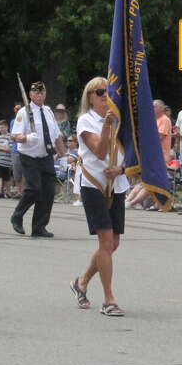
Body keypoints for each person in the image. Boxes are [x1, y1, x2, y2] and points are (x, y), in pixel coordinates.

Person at [69, 77, 129, 315]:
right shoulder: (86, 120)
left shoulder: (122, 121)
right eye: (100, 92)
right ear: (90, 97)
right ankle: (109, 299)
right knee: (105, 242)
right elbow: (100, 151)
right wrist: (106, 125)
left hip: (117, 183)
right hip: (94, 184)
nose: (105, 96)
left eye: (109, 92)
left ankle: (81, 281)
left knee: (113, 243)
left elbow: (134, 153)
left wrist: (121, 169)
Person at [10, 80, 66, 237]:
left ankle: (39, 227)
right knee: (34, 189)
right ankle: (17, 214)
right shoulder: (24, 112)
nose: (40, 95)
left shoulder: (48, 111)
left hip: (46, 155)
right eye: (36, 93)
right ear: (30, 94)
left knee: (48, 192)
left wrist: (62, 157)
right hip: (29, 156)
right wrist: (26, 138)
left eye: (42, 93)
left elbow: (57, 136)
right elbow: (14, 136)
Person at [0, 119, 14, 198]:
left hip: (7, 161)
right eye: (0, 128)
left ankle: (8, 193)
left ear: (7, 127)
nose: (1, 129)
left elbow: (10, 149)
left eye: (3, 127)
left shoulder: (10, 136)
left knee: (7, 178)